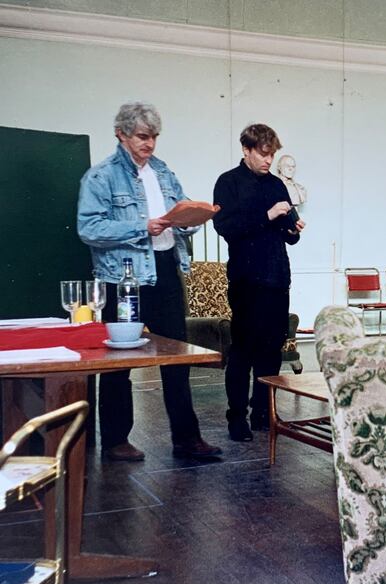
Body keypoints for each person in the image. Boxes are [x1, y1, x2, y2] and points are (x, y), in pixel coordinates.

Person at [77, 102, 222, 461]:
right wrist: (140, 226)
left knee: (176, 357)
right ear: (121, 134)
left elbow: (179, 212)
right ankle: (114, 440)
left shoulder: (162, 171)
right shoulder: (101, 176)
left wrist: (194, 217)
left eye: (154, 136)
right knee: (119, 362)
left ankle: (186, 439)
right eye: (143, 136)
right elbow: (89, 228)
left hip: (166, 272)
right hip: (125, 278)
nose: (150, 144)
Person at [213, 124, 305, 442]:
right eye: (263, 154)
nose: (269, 160)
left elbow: (288, 235)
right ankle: (237, 418)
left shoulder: (277, 184)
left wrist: (293, 229)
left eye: (272, 154)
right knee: (244, 350)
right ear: (246, 150)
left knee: (271, 351)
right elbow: (226, 227)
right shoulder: (228, 183)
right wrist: (267, 215)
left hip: (277, 278)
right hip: (247, 279)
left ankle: (264, 413)